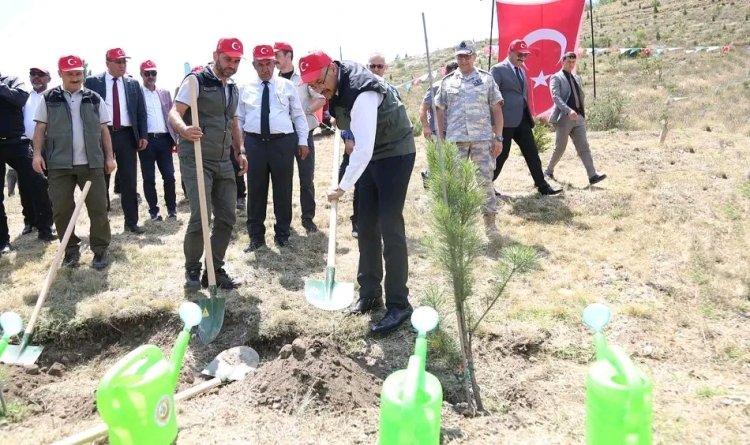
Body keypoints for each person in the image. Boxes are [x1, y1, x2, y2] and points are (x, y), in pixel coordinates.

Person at [299, 50, 416, 335]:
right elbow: (352, 135)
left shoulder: (362, 88)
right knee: (365, 226)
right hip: (371, 155)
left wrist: (342, 185)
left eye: (318, 82)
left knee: (390, 227)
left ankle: (399, 304)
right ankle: (370, 294)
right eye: (312, 85)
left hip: (395, 153)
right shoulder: (332, 86)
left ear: (331, 68)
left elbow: (363, 149)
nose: (318, 89)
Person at [168, 38, 247, 289]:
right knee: (202, 216)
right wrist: (184, 129)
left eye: (236, 61)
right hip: (196, 156)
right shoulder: (195, 81)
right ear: (216, 55)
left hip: (224, 159)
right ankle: (192, 269)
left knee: (227, 217)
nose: (232, 65)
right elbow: (174, 113)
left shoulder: (233, 88)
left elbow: (233, 122)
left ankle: (214, 269)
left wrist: (240, 150)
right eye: (228, 59)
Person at [31, 55, 115, 270]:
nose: (75, 77)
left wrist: (109, 157)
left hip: (92, 163)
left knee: (98, 209)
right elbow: (40, 128)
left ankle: (100, 250)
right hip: (59, 164)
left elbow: (104, 129)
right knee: (61, 210)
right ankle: (70, 252)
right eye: (70, 73)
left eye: (78, 73)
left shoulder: (94, 98)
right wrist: (37, 155)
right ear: (60, 74)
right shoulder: (49, 98)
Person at [238, 44, 309, 251]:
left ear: (274, 63)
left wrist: (303, 140)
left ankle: (283, 234)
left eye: (269, 63)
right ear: (254, 65)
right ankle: (256, 237)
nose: (265, 69)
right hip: (255, 144)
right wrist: (240, 147)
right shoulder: (245, 88)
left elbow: (298, 115)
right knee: (256, 190)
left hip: (282, 144)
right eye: (260, 64)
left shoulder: (287, 86)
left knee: (283, 189)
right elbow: (239, 119)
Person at [435, 40, 504, 239]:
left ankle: (490, 225)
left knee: (484, 182)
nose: (463, 60)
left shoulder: (486, 79)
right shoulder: (447, 81)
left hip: (482, 140)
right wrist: (440, 138)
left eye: (467, 56)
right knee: (455, 184)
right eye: (460, 56)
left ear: (474, 57)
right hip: (455, 141)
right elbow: (439, 110)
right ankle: (457, 226)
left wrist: (498, 137)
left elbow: (497, 109)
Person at [85, 47, 149, 233]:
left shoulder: (132, 83)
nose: (122, 65)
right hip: (101, 134)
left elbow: (141, 112)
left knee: (129, 179)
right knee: (100, 178)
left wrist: (143, 135)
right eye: (118, 61)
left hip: (127, 135)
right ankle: (101, 224)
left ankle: (131, 222)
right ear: (107, 63)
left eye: (124, 61)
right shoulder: (92, 82)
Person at [490, 40, 561, 196]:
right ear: (510, 52)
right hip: (505, 122)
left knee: (532, 152)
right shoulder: (498, 69)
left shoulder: (521, 70)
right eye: (519, 54)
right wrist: (494, 124)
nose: (522, 57)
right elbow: (490, 97)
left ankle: (542, 186)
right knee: (501, 155)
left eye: (525, 55)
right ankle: (486, 185)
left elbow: (523, 95)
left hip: (522, 119)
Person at [0, 69, 55, 253]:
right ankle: (3, 242)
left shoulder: (12, 80)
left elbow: (20, 99)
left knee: (38, 181)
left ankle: (45, 229)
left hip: (18, 142)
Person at [274, 41, 326, 234]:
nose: (274, 60)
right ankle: (284, 222)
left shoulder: (304, 79)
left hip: (305, 134)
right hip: (282, 137)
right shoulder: (273, 81)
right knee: (283, 180)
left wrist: (302, 112)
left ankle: (308, 218)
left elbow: (321, 98)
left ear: (288, 56)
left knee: (306, 179)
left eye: (277, 55)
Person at [545, 51, 607, 185]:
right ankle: (548, 171)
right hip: (564, 118)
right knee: (560, 147)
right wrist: (568, 110)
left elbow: (579, 96)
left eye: (573, 62)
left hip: (579, 118)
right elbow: (556, 97)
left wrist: (581, 112)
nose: (571, 64)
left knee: (584, 146)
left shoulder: (577, 78)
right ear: (563, 62)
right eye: (568, 62)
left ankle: (592, 175)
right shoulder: (556, 77)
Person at [138, 60, 178, 221]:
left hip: (164, 140)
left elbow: (171, 115)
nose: (150, 76)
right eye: (147, 73)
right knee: (149, 178)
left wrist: (175, 138)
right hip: (146, 141)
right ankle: (154, 211)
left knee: (169, 176)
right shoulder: (138, 94)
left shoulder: (165, 93)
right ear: (141, 74)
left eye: (153, 73)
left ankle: (172, 209)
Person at [19, 66, 53, 235]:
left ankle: (49, 220)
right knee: (26, 186)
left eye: (41, 75)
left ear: (49, 78)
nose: (36, 78)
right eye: (33, 74)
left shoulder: (54, 96)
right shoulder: (25, 96)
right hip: (28, 146)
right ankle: (30, 221)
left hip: (51, 145)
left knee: (50, 184)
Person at [418, 61, 458, 188]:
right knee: (438, 160)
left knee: (451, 161)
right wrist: (425, 127)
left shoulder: (460, 86)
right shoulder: (436, 87)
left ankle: (447, 186)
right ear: (445, 73)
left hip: (454, 130)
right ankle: (430, 180)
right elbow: (423, 108)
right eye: (451, 74)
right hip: (436, 130)